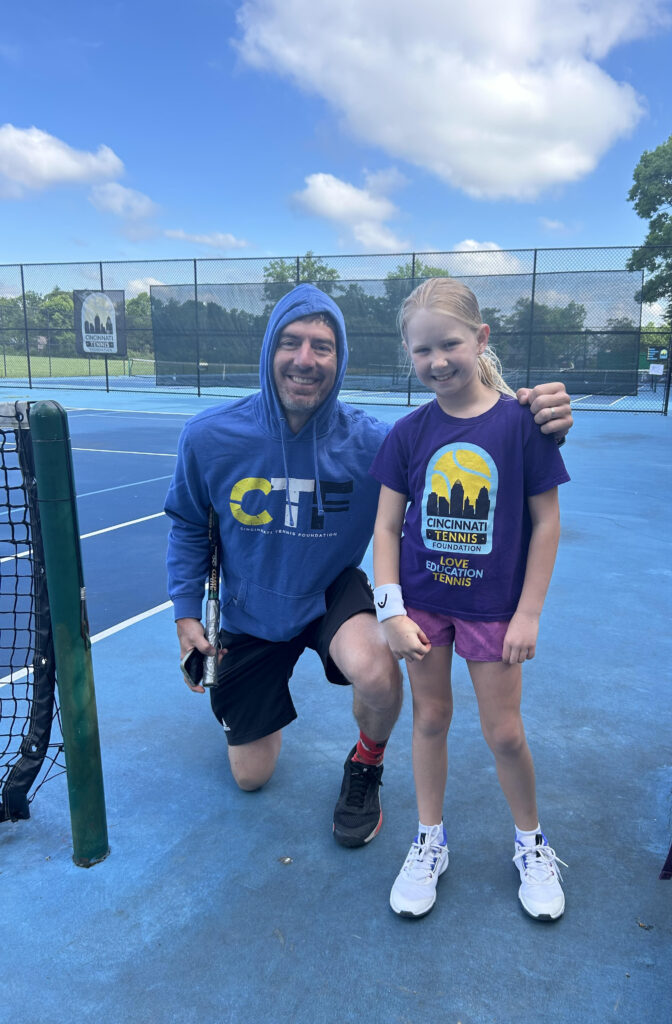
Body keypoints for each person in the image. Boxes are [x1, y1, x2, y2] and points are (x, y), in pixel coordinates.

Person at [165, 282, 573, 850]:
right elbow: (188, 525)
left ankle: (366, 764)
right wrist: (187, 613)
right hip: (249, 609)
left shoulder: (377, 441)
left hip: (331, 592)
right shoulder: (208, 437)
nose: (305, 359)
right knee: (251, 777)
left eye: (322, 346)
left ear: (340, 359)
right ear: (268, 349)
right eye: (290, 342)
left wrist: (539, 416)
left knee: (381, 671)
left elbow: (465, 430)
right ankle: (248, 714)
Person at [370, 277, 569, 920]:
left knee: (504, 732)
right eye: (422, 350)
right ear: (409, 353)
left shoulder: (522, 426)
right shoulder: (406, 434)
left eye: (449, 343)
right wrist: (390, 610)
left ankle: (532, 843)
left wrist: (529, 612)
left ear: (481, 339)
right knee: (429, 719)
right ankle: (430, 840)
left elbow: (546, 522)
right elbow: (385, 527)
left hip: (495, 612)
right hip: (424, 607)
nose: (437, 361)